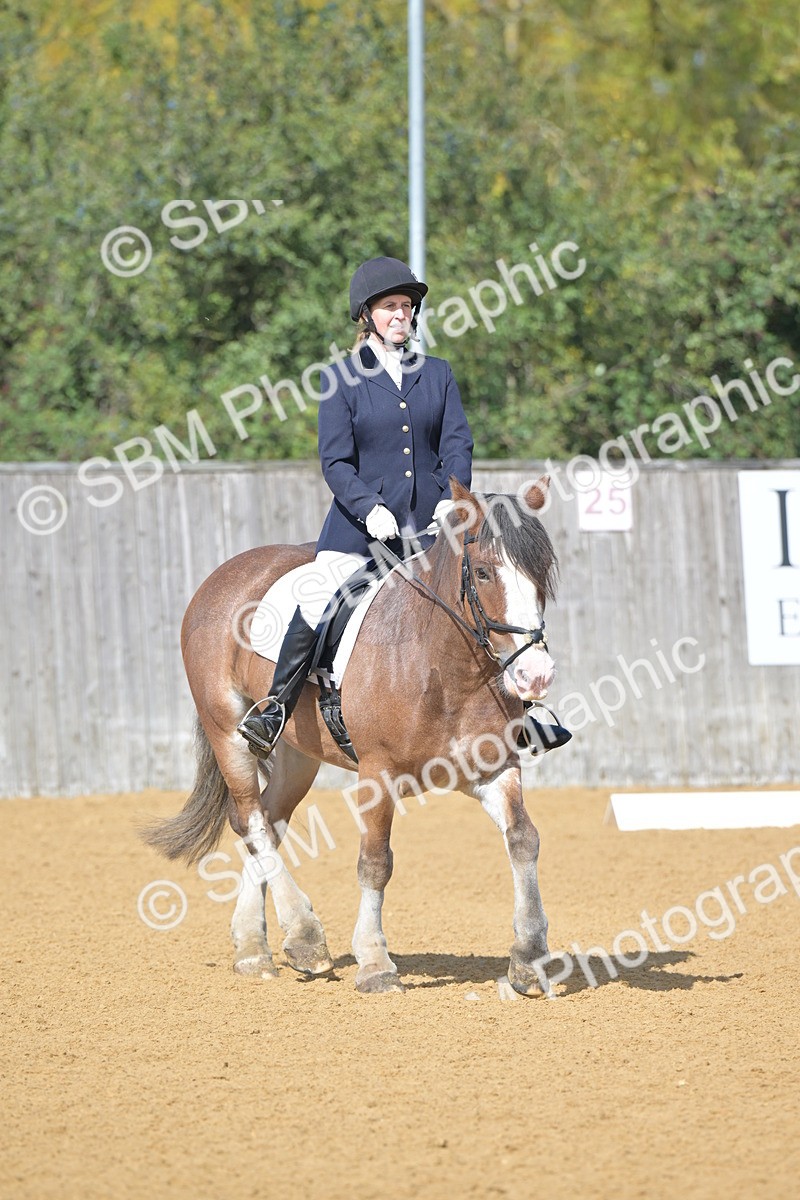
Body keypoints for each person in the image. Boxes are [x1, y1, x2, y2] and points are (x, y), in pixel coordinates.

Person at [237, 255, 474, 758]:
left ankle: (518, 710)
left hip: (430, 527)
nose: (401, 314)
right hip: (360, 531)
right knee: (318, 593)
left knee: (485, 587)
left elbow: (457, 444)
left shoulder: (437, 374)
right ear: (367, 314)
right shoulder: (340, 378)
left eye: (407, 306)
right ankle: (276, 706)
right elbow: (335, 461)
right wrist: (370, 508)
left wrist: (452, 497)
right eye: (391, 306)